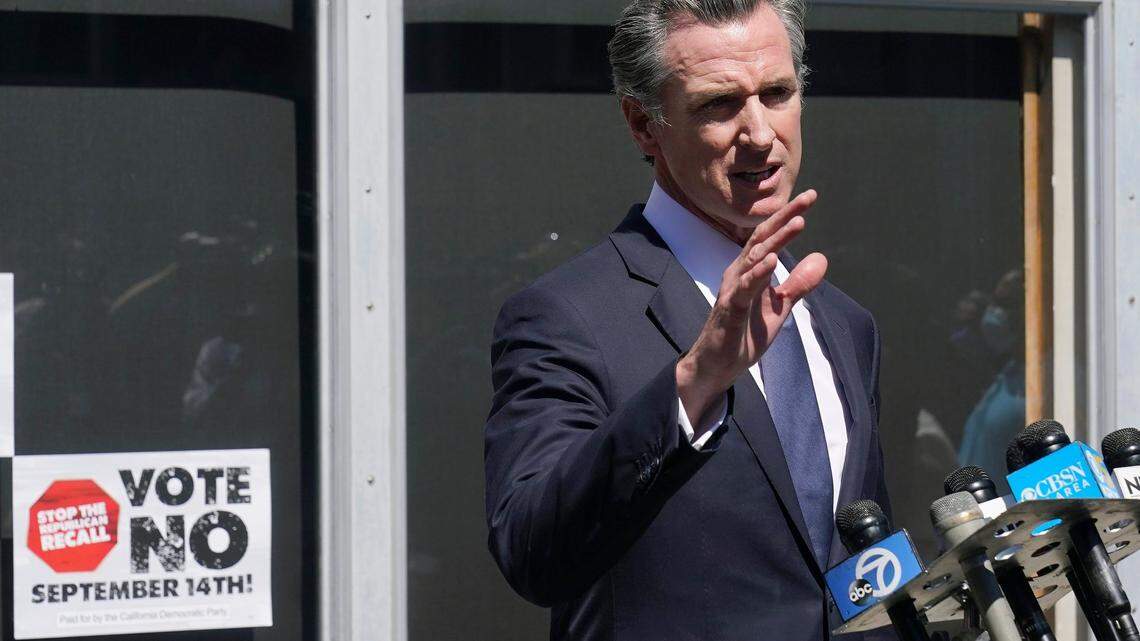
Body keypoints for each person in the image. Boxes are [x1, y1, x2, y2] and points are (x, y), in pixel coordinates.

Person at [484, 1, 891, 639]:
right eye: (718, 105)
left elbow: (857, 568)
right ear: (644, 126)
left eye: (778, 93)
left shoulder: (843, 324)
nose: (759, 133)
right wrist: (695, 381)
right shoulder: (567, 316)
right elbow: (531, 551)